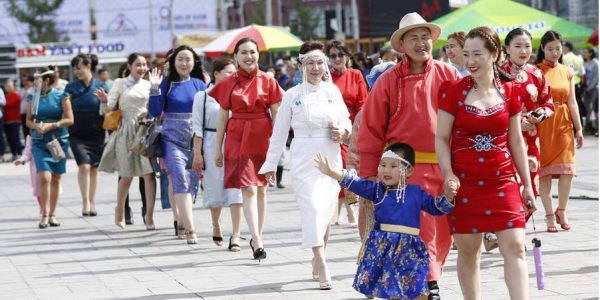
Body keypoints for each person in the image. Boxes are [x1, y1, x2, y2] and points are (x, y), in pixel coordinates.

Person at [357, 12, 460, 299]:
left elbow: (462, 120)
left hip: (443, 166)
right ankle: (429, 284)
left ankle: (428, 278)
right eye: (413, 38)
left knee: (442, 231)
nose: (420, 43)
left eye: (425, 37)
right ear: (401, 45)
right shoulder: (388, 80)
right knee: (420, 229)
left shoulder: (448, 74)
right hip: (405, 171)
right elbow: (371, 129)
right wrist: (368, 175)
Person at [436, 26, 537, 299]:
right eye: (466, 54)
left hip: (503, 181)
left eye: (477, 54)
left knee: (516, 246)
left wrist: (527, 186)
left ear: (495, 54)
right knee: (469, 251)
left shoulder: (512, 92)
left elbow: (517, 141)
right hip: (464, 183)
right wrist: (447, 174)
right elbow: (442, 139)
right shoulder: (452, 91)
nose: (470, 61)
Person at [259, 40, 351, 289]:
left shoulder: (333, 93)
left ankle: (317, 254)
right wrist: (270, 165)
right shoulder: (291, 95)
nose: (315, 67)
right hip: (302, 158)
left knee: (325, 210)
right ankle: (322, 262)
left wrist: (342, 131)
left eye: (320, 62)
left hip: (330, 157)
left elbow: (347, 121)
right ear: (301, 65)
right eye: (310, 62)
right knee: (311, 207)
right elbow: (278, 133)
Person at [315, 143, 457, 299]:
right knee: (392, 292)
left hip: (410, 249)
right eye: (382, 165)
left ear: (408, 170)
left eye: (393, 166)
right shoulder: (377, 191)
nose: (386, 170)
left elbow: (436, 207)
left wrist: (448, 196)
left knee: (419, 291)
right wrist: (332, 173)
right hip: (384, 249)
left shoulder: (416, 192)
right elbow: (356, 183)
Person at [211, 37, 283, 261]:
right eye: (243, 52)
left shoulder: (269, 81)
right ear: (235, 57)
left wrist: (277, 147)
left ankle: (256, 236)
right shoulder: (228, 82)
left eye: (252, 52)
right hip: (238, 137)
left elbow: (277, 115)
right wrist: (217, 149)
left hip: (263, 138)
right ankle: (258, 240)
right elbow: (222, 118)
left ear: (258, 54)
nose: (248, 56)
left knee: (262, 189)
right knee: (249, 188)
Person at [149, 45, 206, 244]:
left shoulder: (200, 84)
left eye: (187, 59)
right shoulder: (166, 83)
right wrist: (155, 88)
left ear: (194, 62)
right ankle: (191, 229)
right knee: (179, 177)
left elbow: (207, 111)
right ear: (174, 62)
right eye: (180, 59)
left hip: (194, 139)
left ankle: (182, 221)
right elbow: (155, 112)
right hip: (171, 139)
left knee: (192, 181)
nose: (183, 63)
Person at [97, 53, 157, 230]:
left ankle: (149, 216)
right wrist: (103, 100)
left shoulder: (149, 84)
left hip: (145, 130)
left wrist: (156, 90)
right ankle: (120, 209)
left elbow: (155, 107)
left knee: (149, 174)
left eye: (144, 65)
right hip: (126, 130)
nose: (142, 68)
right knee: (127, 175)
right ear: (129, 66)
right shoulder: (120, 83)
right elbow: (109, 107)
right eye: (138, 64)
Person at [191, 58, 243, 250]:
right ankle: (216, 223)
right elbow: (197, 127)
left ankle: (236, 235)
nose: (232, 76)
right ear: (216, 73)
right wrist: (198, 153)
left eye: (234, 72)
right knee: (214, 187)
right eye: (228, 72)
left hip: (235, 142)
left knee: (237, 189)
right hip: (212, 143)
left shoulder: (239, 93)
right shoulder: (202, 96)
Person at [536, 30, 584, 232]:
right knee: (544, 173)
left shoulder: (567, 71)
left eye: (558, 48)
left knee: (567, 171)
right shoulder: (535, 71)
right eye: (550, 49)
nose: (555, 52)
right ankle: (548, 215)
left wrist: (579, 128)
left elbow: (572, 102)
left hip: (564, 122)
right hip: (542, 123)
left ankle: (561, 209)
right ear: (542, 49)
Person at [26, 66, 74, 228]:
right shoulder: (33, 97)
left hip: (58, 141)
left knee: (56, 178)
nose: (34, 82)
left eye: (37, 79)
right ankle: (44, 215)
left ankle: (53, 214)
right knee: (44, 177)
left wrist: (53, 125)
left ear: (47, 80)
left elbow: (69, 120)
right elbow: (28, 121)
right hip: (39, 141)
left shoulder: (62, 95)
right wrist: (36, 126)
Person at [326, 40, 367, 227]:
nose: (336, 59)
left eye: (340, 55)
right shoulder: (326, 78)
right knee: (340, 168)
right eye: (332, 55)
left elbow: (363, 103)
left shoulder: (356, 75)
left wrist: (357, 127)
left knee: (349, 169)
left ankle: (347, 210)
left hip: (353, 126)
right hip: (333, 128)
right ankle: (348, 209)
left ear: (347, 57)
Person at [65, 54, 108, 216]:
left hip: (97, 133)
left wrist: (105, 101)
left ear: (88, 66)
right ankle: (85, 203)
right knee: (84, 165)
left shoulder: (101, 86)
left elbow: (108, 110)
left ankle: (93, 202)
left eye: (79, 67)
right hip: (76, 133)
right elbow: (64, 108)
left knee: (94, 169)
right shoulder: (70, 88)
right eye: (74, 68)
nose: (76, 71)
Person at [13, 135, 42, 215]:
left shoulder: (52, 131)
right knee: (39, 189)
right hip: (36, 167)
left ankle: (50, 209)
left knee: (50, 187)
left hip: (51, 164)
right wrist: (22, 159)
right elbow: (27, 151)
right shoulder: (31, 136)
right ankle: (43, 208)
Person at [562, 42, 587, 128]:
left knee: (569, 105)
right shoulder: (579, 58)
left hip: (567, 84)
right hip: (578, 84)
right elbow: (582, 73)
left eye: (563, 47)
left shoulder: (564, 58)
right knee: (577, 104)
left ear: (567, 48)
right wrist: (583, 85)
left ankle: (572, 126)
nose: (562, 48)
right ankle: (580, 126)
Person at [2, 80, 23, 160]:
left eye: (9, 86)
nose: (8, 88)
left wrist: (3, 103)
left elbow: (8, 104)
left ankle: (19, 153)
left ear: (13, 86)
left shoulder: (16, 95)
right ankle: (14, 153)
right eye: (6, 86)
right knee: (9, 138)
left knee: (15, 138)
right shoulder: (5, 96)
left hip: (15, 120)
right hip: (6, 121)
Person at [582, 47, 598, 135]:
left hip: (594, 89)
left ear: (591, 53)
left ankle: (597, 128)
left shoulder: (596, 63)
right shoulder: (583, 63)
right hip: (585, 89)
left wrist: (590, 87)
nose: (583, 53)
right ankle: (590, 127)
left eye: (585, 52)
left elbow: (596, 78)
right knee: (587, 109)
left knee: (595, 109)